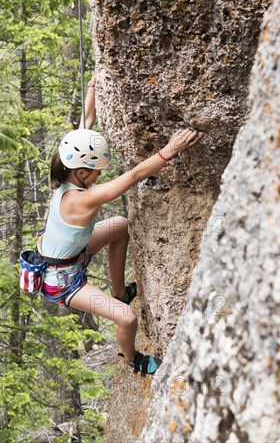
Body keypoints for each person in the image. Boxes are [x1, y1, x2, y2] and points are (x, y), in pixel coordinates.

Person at [38, 75, 201, 376]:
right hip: (61, 280)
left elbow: (85, 122)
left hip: (69, 255)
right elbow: (135, 175)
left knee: (120, 225)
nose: (100, 175)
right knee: (126, 319)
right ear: (83, 173)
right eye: (97, 172)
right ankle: (132, 360)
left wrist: (92, 87)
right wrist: (170, 150)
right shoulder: (81, 200)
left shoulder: (63, 167)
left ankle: (118, 293)